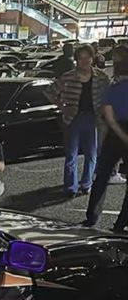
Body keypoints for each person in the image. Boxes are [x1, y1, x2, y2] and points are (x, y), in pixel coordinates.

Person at [49, 44, 109, 197]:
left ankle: (86, 183)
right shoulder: (69, 76)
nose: (84, 61)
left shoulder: (101, 77)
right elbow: (50, 92)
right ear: (76, 60)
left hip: (93, 118)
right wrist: (63, 107)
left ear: (92, 58)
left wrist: (104, 110)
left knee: (91, 154)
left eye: (87, 57)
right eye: (80, 58)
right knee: (71, 154)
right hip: (72, 118)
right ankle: (70, 187)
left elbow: (109, 94)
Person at [84, 68, 128, 230]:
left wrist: (120, 134)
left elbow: (108, 116)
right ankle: (121, 222)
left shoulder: (113, 89)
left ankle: (92, 216)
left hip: (114, 133)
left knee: (102, 176)